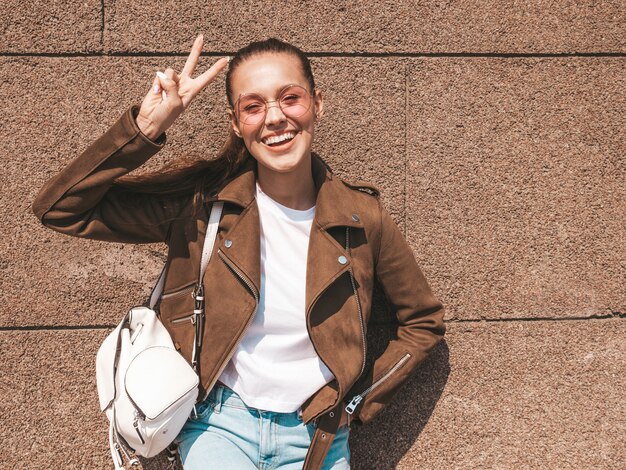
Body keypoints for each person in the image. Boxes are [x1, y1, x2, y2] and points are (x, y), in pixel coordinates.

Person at [32, 35, 446, 470]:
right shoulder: (201, 207)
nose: (274, 118)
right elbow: (59, 209)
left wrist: (355, 404)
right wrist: (146, 128)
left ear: (317, 104)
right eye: (253, 106)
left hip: (318, 438)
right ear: (236, 122)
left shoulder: (363, 218)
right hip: (219, 427)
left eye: (290, 98)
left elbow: (422, 321)